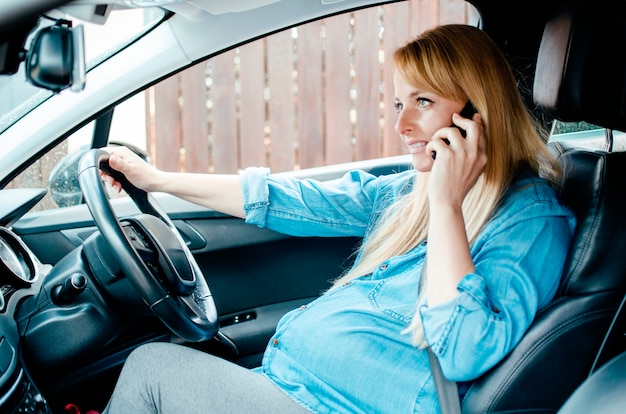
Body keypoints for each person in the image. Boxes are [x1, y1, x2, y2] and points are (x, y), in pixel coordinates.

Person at [101, 24, 576, 414]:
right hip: (292, 386)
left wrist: (447, 207)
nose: (401, 125)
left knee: (151, 371)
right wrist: (158, 179)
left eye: (423, 102)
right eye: (398, 103)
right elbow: (288, 199)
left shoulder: (531, 220)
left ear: (478, 113)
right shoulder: (411, 192)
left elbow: (463, 350)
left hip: (337, 406)